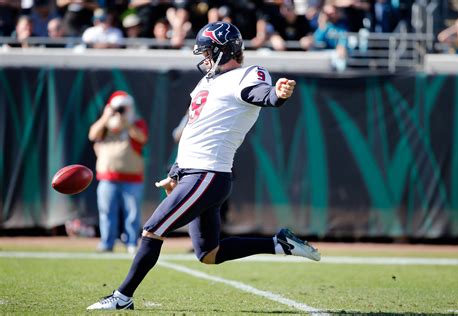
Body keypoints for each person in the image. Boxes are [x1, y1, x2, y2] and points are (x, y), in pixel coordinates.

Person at [87, 21, 320, 311]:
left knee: (152, 229)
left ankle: (122, 297)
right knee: (210, 253)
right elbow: (195, 130)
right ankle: (279, 243)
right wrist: (175, 171)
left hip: (208, 173)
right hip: (194, 172)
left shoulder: (247, 75)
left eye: (208, 51)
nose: (204, 58)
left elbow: (262, 95)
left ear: (224, 50)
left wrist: (278, 94)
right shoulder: (207, 82)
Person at [88, 91, 148, 254]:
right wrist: (106, 117)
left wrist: (126, 122)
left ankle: (131, 242)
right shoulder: (105, 125)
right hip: (107, 177)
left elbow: (142, 138)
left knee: (132, 213)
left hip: (132, 178)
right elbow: (92, 135)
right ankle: (107, 243)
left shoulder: (136, 123)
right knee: (107, 212)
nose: (121, 111)